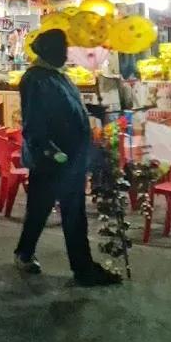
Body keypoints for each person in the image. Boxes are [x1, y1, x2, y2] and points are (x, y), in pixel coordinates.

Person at [14, 28, 121, 286]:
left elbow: (68, 107)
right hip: (55, 159)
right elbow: (34, 123)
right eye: (61, 49)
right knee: (64, 213)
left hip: (71, 158)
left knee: (48, 210)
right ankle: (80, 268)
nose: (65, 54)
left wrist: (94, 109)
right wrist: (52, 152)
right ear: (48, 51)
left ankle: (27, 254)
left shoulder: (58, 76)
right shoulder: (35, 79)